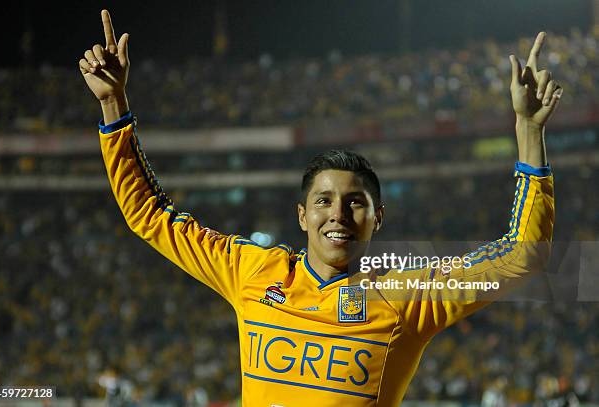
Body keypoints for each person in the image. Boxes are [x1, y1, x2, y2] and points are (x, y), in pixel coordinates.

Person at [79, 10, 560, 406]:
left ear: (378, 218)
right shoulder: (252, 271)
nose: (338, 215)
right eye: (324, 201)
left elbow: (522, 257)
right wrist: (113, 105)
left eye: (356, 203)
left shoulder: (406, 296)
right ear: (302, 216)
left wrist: (528, 130)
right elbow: (149, 214)